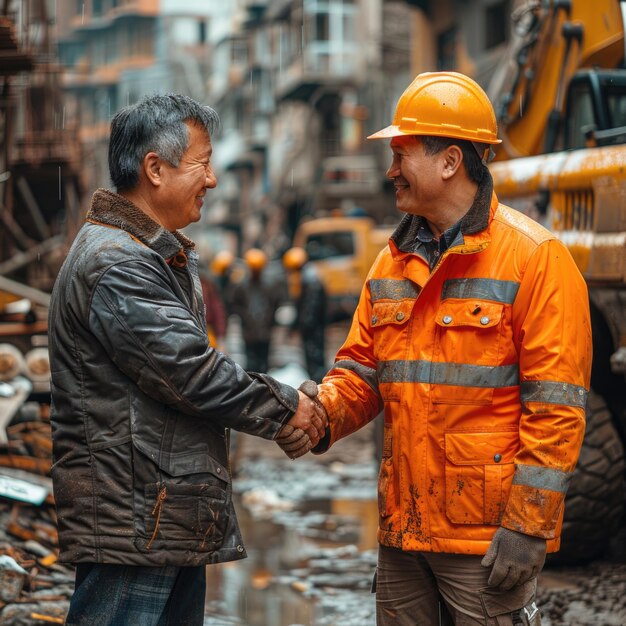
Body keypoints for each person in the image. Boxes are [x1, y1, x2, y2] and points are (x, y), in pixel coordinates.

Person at [310, 72, 592, 625]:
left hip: (485, 542)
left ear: (450, 161)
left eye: (402, 153)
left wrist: (526, 527)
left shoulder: (536, 258)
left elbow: (556, 411)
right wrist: (319, 415)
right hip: (403, 533)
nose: (390, 170)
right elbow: (362, 372)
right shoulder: (391, 262)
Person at [47, 93, 325, 626]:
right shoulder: (118, 262)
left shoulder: (146, 252)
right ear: (155, 168)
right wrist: (289, 407)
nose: (213, 179)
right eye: (203, 163)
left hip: (161, 514)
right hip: (134, 520)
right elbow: (191, 372)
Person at [229, 247, 286, 373]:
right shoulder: (241, 286)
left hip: (264, 331)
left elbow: (277, 303)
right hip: (250, 331)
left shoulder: (270, 285)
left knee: (264, 362)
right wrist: (244, 317)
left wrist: (271, 320)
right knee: (251, 363)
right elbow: (234, 305)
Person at [282, 246, 328, 383]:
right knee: (313, 360)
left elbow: (309, 309)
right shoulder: (308, 278)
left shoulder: (311, 281)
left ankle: (320, 392)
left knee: (315, 362)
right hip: (312, 328)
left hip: (314, 329)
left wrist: (303, 325)